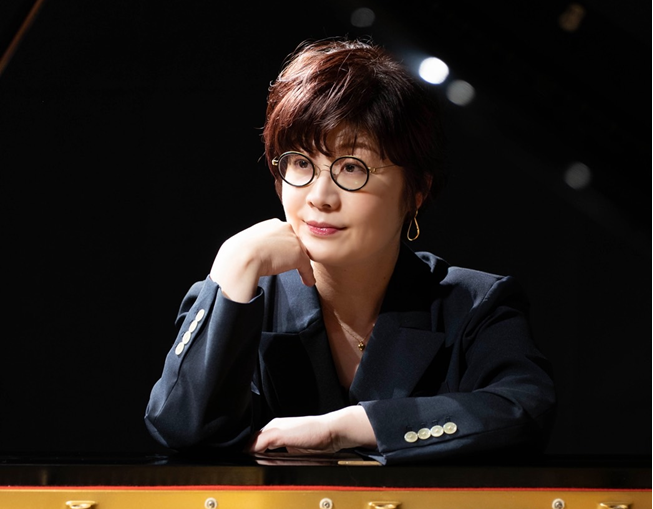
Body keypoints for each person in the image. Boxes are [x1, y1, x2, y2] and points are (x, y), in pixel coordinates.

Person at [145, 38, 555, 464]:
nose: (320, 197)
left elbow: (526, 410)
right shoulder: (241, 294)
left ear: (416, 190)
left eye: (351, 168)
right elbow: (179, 429)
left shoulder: (475, 306)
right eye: (301, 163)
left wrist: (348, 427)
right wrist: (233, 264)